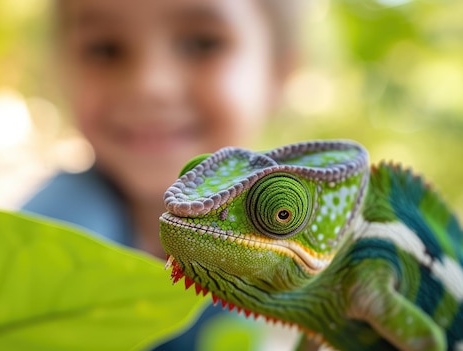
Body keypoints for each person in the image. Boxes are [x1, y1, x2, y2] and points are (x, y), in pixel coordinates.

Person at [22, 0, 300, 349]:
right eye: (106, 50)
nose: (149, 85)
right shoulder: (54, 231)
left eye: (202, 44)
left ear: (278, 72)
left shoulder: (279, 246)